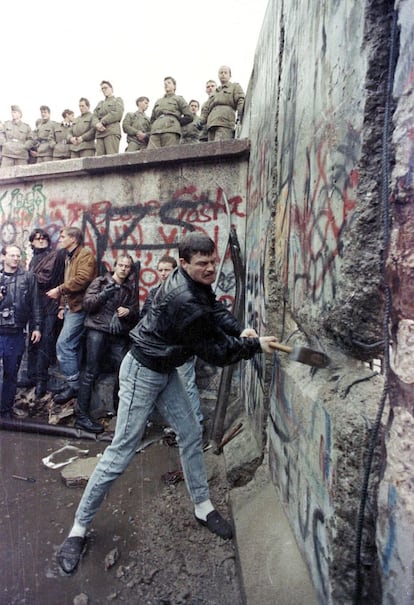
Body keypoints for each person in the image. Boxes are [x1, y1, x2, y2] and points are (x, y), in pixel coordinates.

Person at [56, 232, 277, 574]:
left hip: (165, 367)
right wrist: (254, 346)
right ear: (185, 263)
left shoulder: (193, 282)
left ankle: (202, 506)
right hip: (143, 371)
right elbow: (217, 352)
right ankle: (78, 529)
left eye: (212, 261)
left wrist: (240, 330)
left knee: (190, 434)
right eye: (202, 264)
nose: (210, 268)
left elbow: (214, 309)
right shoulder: (182, 298)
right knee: (120, 454)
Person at [75, 255, 139, 433]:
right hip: (97, 330)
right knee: (90, 372)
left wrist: (128, 311)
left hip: (117, 334)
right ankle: (81, 416)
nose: (124, 269)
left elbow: (136, 313)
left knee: (124, 372)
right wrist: (104, 294)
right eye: (121, 265)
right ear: (115, 266)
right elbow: (87, 305)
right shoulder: (101, 282)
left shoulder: (129, 289)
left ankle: (120, 415)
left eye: (127, 266)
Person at [140, 254, 204, 424]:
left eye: (166, 270)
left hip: (180, 347)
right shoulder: (154, 293)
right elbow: (145, 318)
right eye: (160, 270)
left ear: (175, 270)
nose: (162, 273)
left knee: (186, 386)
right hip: (160, 349)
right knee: (155, 385)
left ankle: (197, 423)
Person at [46, 227, 97, 404]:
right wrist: (62, 306)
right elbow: (69, 281)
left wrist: (59, 290)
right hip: (70, 307)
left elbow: (82, 279)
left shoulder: (85, 255)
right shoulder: (70, 256)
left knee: (64, 345)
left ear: (74, 239)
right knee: (73, 346)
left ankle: (75, 387)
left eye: (63, 236)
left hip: (80, 308)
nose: (59, 239)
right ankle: (73, 384)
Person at [20, 229, 66, 398]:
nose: (40, 240)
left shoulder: (52, 256)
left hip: (49, 305)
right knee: (32, 342)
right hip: (34, 305)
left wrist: (26, 277)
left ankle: (41, 380)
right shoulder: (33, 258)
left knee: (45, 342)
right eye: (36, 238)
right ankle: (31, 377)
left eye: (43, 238)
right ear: (31, 242)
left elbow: (45, 278)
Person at [0, 244, 42, 418]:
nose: (15, 258)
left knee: (11, 374)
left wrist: (37, 327)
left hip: (16, 333)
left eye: (18, 255)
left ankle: (5, 411)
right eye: (12, 255)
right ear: (3, 257)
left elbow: (35, 304)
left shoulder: (28, 277)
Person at [198, 66, 244, 141]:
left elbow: (240, 100)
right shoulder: (215, 92)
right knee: (212, 149)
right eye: (221, 73)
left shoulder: (234, 87)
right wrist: (201, 121)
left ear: (230, 75)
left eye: (225, 73)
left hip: (225, 122)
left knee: (221, 147)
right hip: (211, 124)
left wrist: (240, 115)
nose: (223, 74)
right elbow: (206, 109)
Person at [147, 77, 193, 149]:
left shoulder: (179, 98)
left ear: (174, 86)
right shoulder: (158, 101)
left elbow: (189, 116)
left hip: (171, 130)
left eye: (169, 83)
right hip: (155, 131)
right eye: (165, 84)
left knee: (169, 155)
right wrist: (153, 127)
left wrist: (175, 123)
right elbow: (152, 119)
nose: (166, 85)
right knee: (151, 155)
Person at [93, 81, 124, 156]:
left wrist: (102, 122)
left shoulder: (117, 100)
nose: (104, 90)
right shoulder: (100, 103)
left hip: (111, 132)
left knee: (111, 158)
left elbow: (118, 113)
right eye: (102, 89)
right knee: (98, 160)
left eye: (105, 88)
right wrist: (97, 124)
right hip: (100, 133)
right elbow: (94, 116)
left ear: (111, 89)